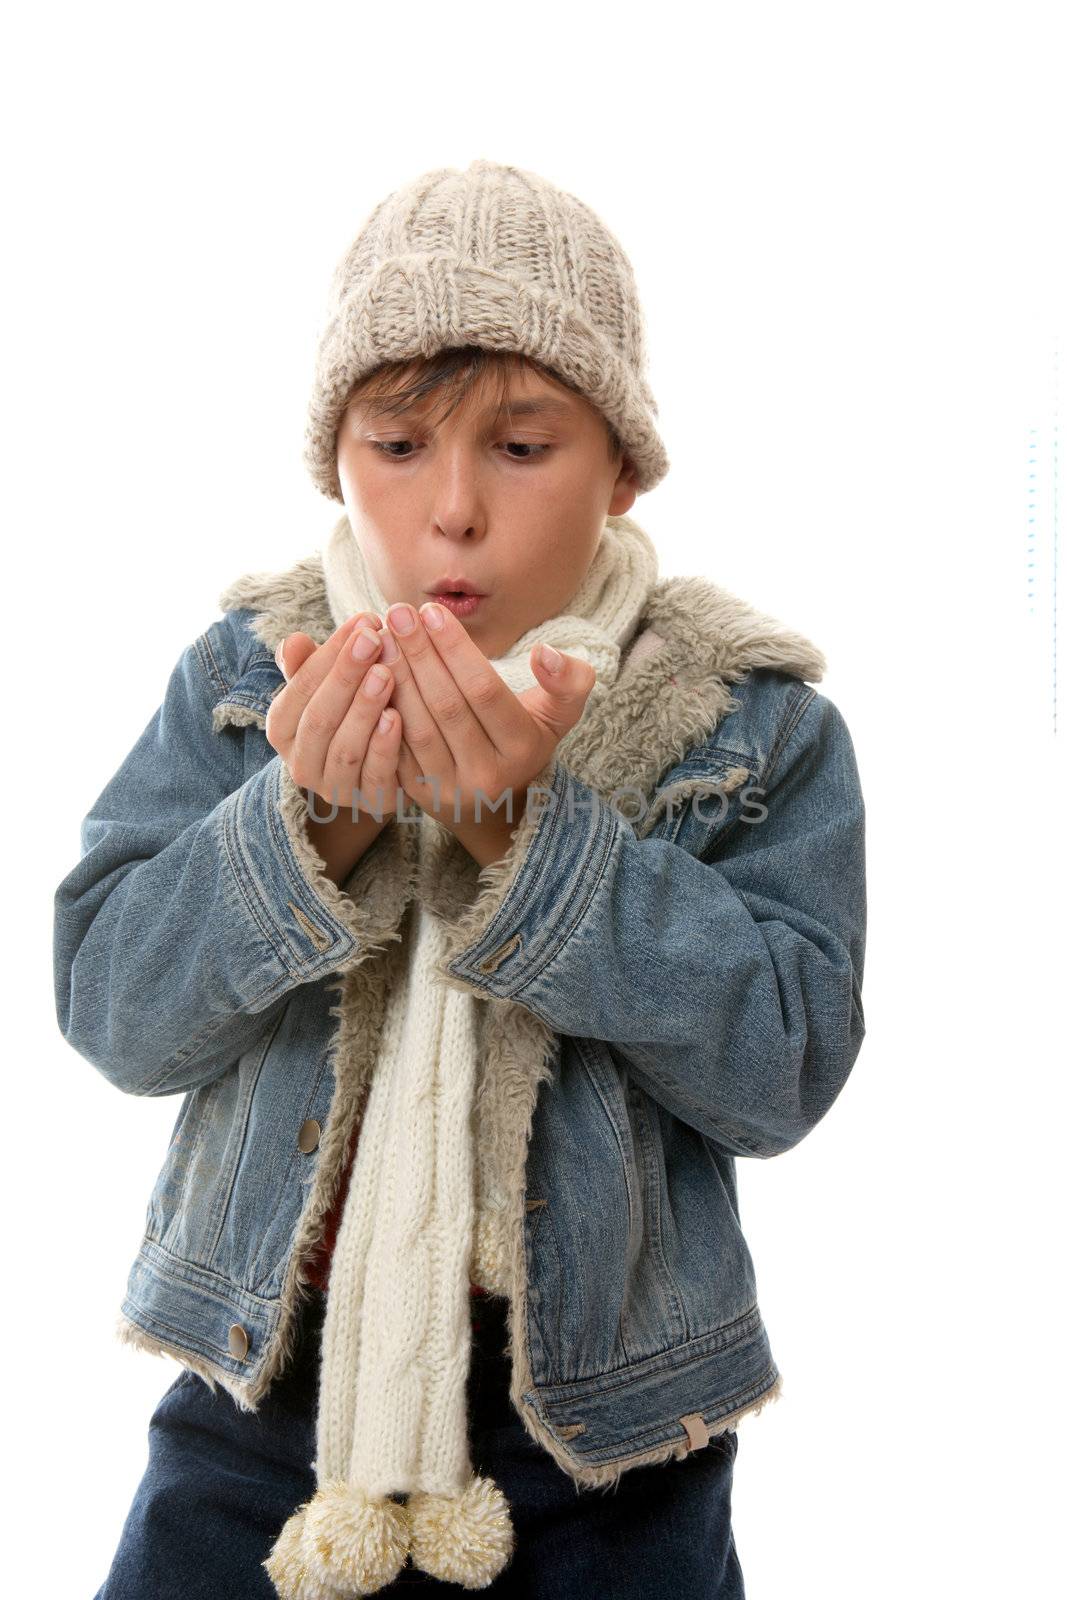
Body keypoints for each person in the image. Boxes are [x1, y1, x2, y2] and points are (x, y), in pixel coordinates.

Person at [53, 157, 867, 1599]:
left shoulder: (750, 722)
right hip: (265, 1415)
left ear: (622, 463)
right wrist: (307, 819)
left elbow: (780, 1068)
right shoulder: (252, 675)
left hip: (613, 1445)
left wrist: (527, 838)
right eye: (400, 443)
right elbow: (117, 1013)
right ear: (336, 458)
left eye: (523, 446)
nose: (453, 513)